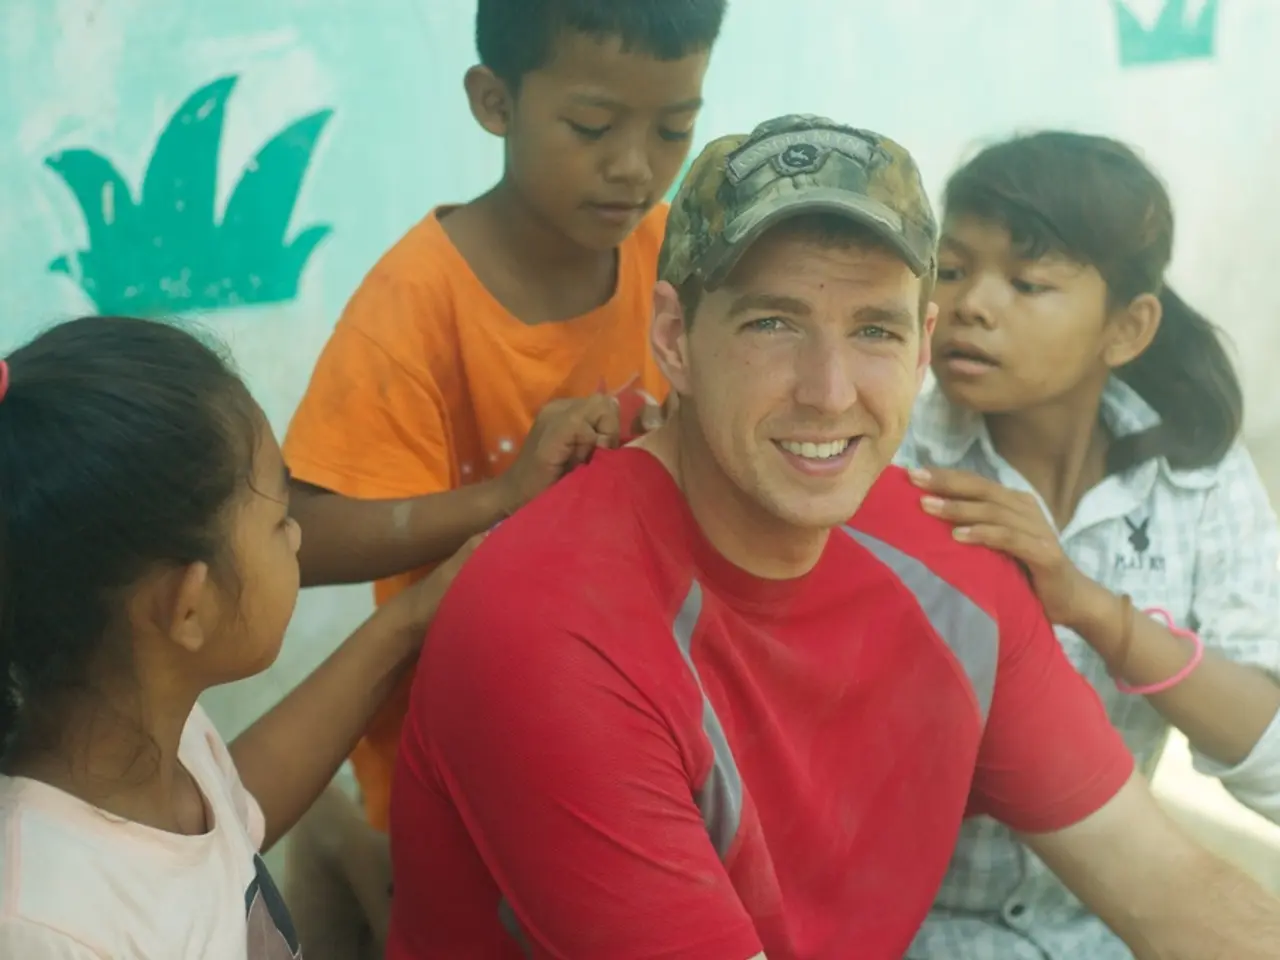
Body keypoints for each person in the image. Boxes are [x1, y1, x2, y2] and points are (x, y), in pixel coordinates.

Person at [385, 113, 1280, 959]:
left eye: (875, 330)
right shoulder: (548, 625)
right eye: (772, 323)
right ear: (675, 337)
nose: (829, 391)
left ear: (922, 346)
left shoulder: (955, 553)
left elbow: (1170, 885)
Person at [894, 131, 1280, 959]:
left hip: (1102, 932)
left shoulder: (1196, 478)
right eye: (951, 270)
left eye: (1027, 283)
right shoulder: (893, 462)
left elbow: (1273, 758)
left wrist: (1094, 610)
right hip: (907, 934)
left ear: (1128, 328)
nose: (971, 305)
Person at [0, 316, 479, 959]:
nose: (298, 537)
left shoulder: (148, 732)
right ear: (188, 608)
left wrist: (414, 616)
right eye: (280, 520)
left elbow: (232, 818)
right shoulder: (47, 925)